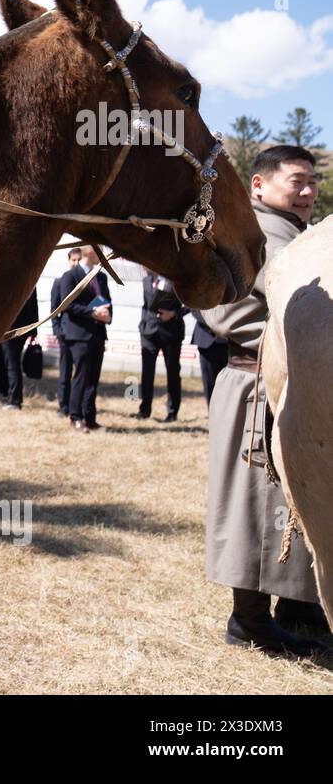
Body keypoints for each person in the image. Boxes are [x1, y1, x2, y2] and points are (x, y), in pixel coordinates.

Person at [200, 144, 328, 655]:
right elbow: (223, 314)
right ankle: (248, 621)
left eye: (313, 182)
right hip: (254, 385)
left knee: (302, 495)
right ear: (259, 185)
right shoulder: (243, 234)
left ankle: (299, 606)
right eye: (296, 181)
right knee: (256, 501)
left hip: (301, 385)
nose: (307, 191)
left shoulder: (305, 238)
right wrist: (291, 346)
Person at [55, 246, 111, 433]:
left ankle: (90, 417)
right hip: (79, 334)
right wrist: (93, 312)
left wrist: (108, 316)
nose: (102, 255)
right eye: (99, 251)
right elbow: (67, 304)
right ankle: (76, 417)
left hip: (98, 334)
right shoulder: (71, 276)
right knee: (81, 377)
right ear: (89, 251)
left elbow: (107, 301)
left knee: (93, 378)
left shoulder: (101, 277)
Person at [136, 271, 187, 422]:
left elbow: (190, 306)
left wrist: (173, 314)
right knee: (147, 373)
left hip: (171, 334)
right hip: (149, 333)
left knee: (172, 372)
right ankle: (144, 409)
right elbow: (146, 305)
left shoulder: (177, 280)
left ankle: (172, 412)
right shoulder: (147, 280)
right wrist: (143, 326)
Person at [50, 247, 82, 417]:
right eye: (73, 260)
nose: (76, 263)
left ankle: (76, 405)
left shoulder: (86, 282)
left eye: (79, 260)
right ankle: (63, 406)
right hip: (65, 334)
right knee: (65, 372)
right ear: (68, 260)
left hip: (81, 334)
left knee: (80, 373)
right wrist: (58, 331)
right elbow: (54, 309)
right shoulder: (60, 281)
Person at [0, 292, 39, 409]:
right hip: (24, 328)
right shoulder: (29, 280)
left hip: (11, 329)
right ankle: (13, 396)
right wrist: (33, 331)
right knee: (14, 363)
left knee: (12, 365)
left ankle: (14, 400)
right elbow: (34, 306)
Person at [190, 310, 228, 406]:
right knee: (209, 383)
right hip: (206, 339)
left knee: (228, 385)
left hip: (229, 340)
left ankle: (226, 417)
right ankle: (212, 415)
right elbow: (194, 307)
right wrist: (213, 324)